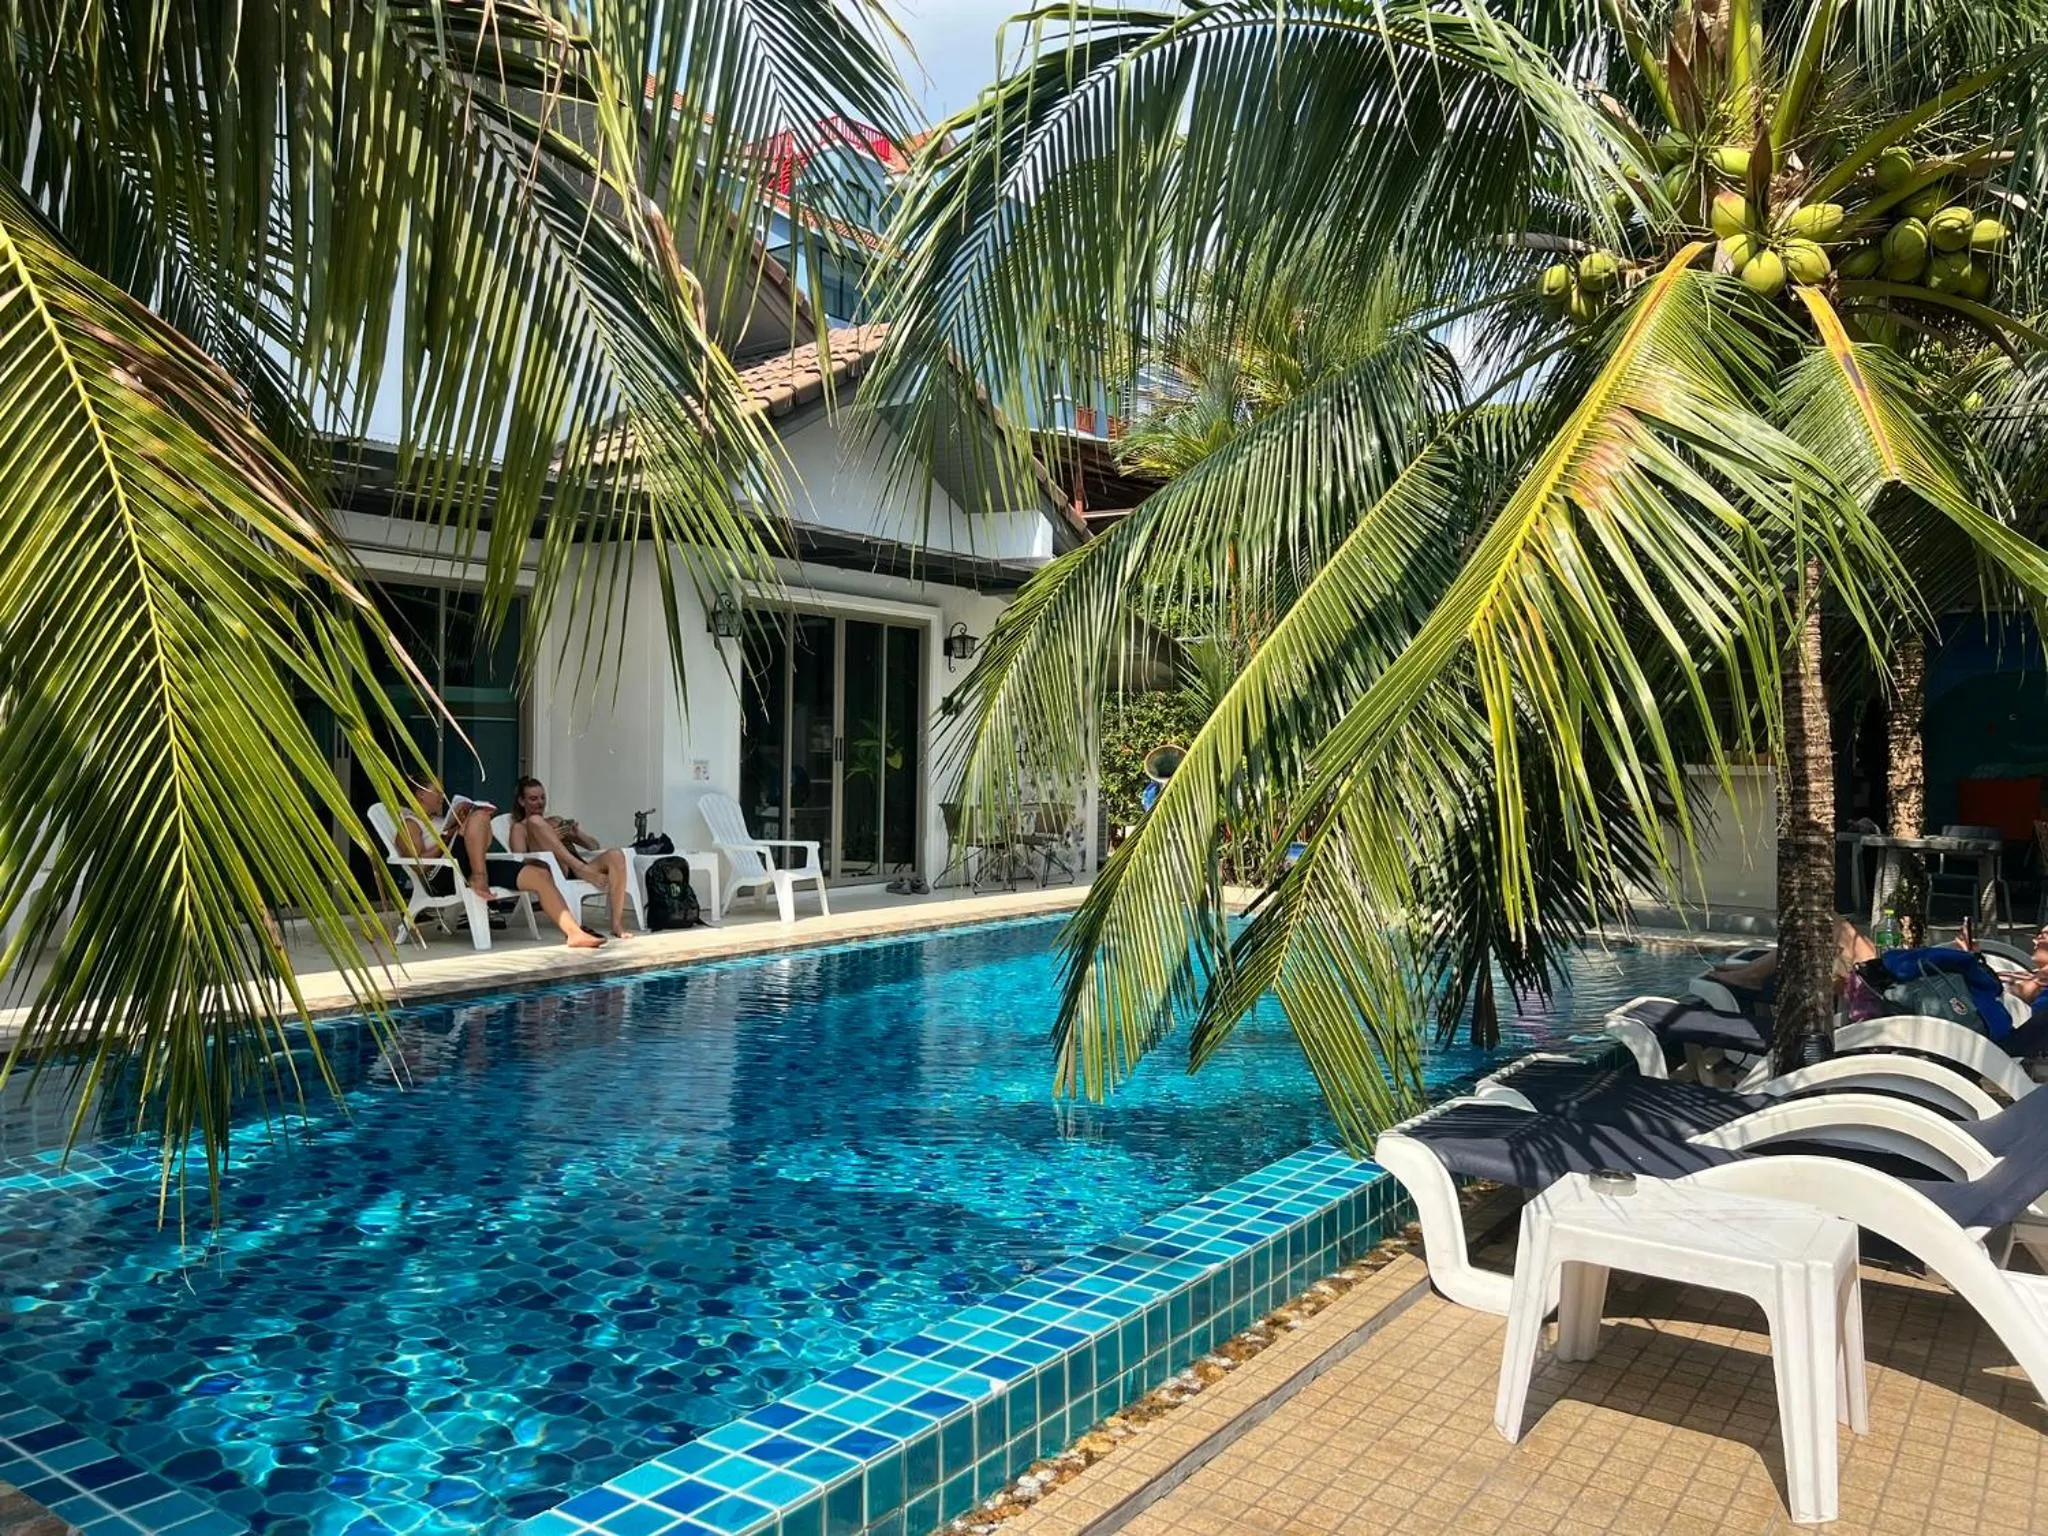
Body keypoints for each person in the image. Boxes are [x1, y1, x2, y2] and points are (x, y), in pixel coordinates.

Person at [395, 778, 604, 950]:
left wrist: (457, 829)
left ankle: (574, 933)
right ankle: (479, 876)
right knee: (478, 816)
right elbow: (420, 865)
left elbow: (483, 844)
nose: (442, 796)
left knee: (538, 874)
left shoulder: (441, 820)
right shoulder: (410, 823)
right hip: (443, 876)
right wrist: (447, 838)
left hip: (469, 864)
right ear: (420, 794)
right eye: (437, 792)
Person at [507, 776, 635, 938]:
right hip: (553, 871)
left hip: (578, 866)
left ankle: (617, 924)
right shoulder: (520, 828)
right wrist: (546, 837)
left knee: (616, 855)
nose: (540, 802)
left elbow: (593, 846)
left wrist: (577, 834)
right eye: (533, 799)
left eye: (542, 798)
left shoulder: (555, 821)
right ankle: (581, 870)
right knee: (535, 821)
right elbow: (520, 861)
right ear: (521, 801)